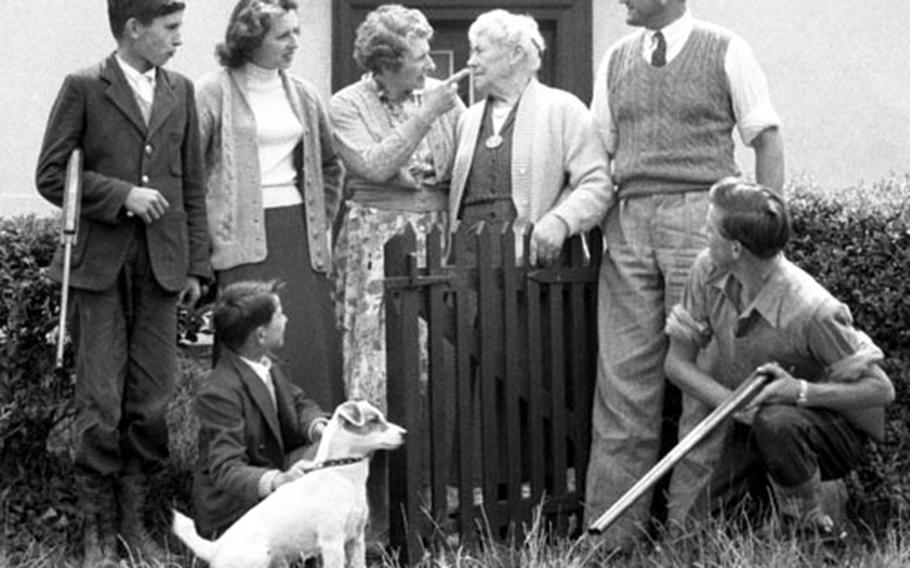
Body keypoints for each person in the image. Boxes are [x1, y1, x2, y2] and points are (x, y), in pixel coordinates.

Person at [585, 0, 785, 548]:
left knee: (701, 385)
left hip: (704, 224)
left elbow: (765, 137)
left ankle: (688, 544)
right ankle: (609, 540)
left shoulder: (726, 49)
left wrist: (766, 241)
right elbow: (596, 150)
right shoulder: (615, 59)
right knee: (622, 386)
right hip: (627, 224)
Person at [34, 1, 210, 565]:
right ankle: (97, 534)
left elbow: (193, 188)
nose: (180, 39)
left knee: (152, 399)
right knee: (101, 400)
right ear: (134, 29)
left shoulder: (181, 90)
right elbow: (52, 176)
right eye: (171, 28)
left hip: (161, 266)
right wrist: (120, 195)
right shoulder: (84, 86)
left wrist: (195, 267)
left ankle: (137, 526)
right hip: (99, 268)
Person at [663, 178, 894, 535]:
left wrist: (801, 391)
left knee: (777, 423)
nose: (703, 233)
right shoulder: (706, 270)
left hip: (825, 432)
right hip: (755, 423)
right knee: (703, 537)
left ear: (736, 249)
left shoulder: (812, 310)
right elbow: (676, 365)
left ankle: (817, 532)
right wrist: (737, 406)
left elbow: (880, 390)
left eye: (710, 229)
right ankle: (778, 513)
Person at [196, 0, 344, 408]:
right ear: (251, 37)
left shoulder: (304, 94)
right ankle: (249, 464)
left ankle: (314, 457)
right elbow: (190, 172)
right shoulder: (212, 91)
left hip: (299, 239)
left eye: (297, 32)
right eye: (283, 35)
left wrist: (320, 222)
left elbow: (331, 166)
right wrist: (212, 230)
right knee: (251, 349)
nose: (294, 42)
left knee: (307, 349)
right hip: (242, 245)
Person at [330, 3, 465, 413]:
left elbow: (464, 162)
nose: (429, 62)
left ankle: (431, 461)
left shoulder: (446, 99)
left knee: (438, 347)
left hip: (437, 235)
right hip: (375, 238)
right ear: (387, 62)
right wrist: (425, 115)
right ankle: (373, 460)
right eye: (419, 55)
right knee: (376, 348)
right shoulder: (346, 104)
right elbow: (374, 165)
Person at [450, 9, 611, 264]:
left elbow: (597, 183)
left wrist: (560, 221)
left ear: (515, 54)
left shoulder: (563, 109)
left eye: (479, 51)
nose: (470, 61)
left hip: (536, 271)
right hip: (470, 269)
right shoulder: (467, 120)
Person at [192, 280, 329, 537]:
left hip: (271, 474)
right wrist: (278, 481)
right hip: (236, 510)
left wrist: (317, 428)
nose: (286, 319)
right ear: (261, 335)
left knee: (335, 449)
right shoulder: (219, 392)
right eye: (279, 314)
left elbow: (298, 403)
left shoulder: (264, 364)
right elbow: (226, 469)